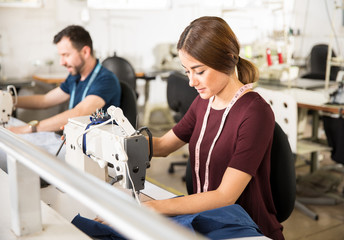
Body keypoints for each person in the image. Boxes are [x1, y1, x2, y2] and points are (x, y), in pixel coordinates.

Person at [143, 16, 283, 239]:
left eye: (199, 71)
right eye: (187, 71)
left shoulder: (255, 112)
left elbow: (225, 196)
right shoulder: (203, 103)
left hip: (247, 229)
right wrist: (123, 140)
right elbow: (163, 146)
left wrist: (155, 207)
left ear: (227, 60)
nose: (191, 82)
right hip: (207, 220)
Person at [8, 25, 121, 134]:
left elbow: (79, 113)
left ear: (85, 52)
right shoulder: (75, 76)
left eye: (66, 55)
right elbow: (45, 100)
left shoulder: (106, 80)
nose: (61, 62)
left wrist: (28, 129)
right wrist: (9, 100)